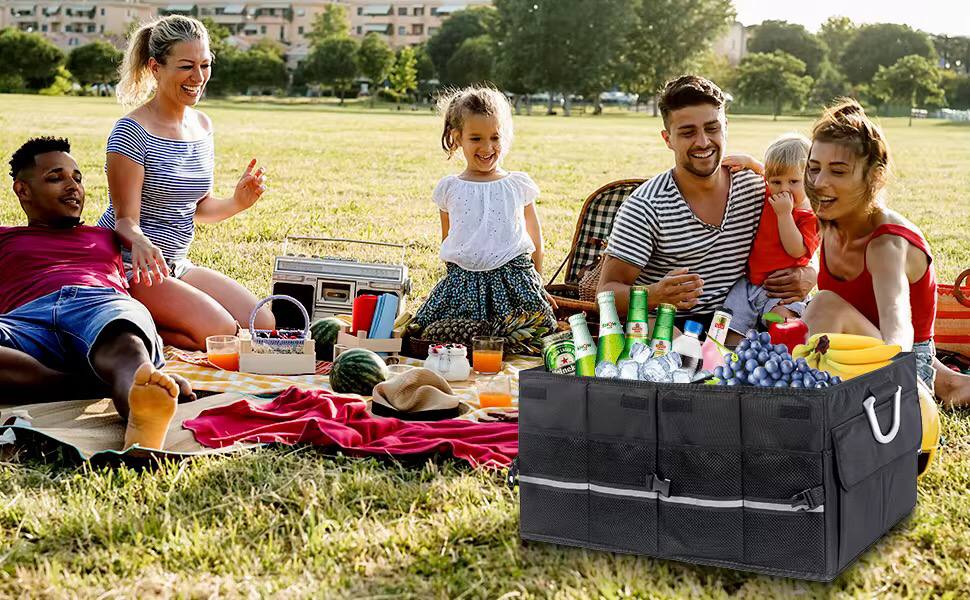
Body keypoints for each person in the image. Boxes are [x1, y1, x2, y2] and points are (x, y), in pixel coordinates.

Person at [1, 137, 195, 450]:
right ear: (23, 190)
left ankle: (141, 415)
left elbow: (172, 220)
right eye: (56, 178)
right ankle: (88, 384)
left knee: (125, 341)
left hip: (97, 305)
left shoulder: (108, 236)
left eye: (77, 178)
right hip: (26, 322)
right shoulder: (4, 238)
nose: (72, 186)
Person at [99, 15, 271, 351]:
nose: (198, 77)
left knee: (262, 322)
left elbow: (200, 208)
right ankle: (135, 326)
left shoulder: (202, 125)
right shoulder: (131, 132)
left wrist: (238, 201)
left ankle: (156, 322)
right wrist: (141, 242)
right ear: (155, 67)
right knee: (221, 333)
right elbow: (124, 221)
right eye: (186, 66)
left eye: (205, 65)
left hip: (176, 263)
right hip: (132, 264)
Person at [599, 75, 816, 330]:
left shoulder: (758, 187)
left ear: (726, 127)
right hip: (671, 328)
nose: (703, 142)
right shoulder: (646, 207)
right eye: (688, 132)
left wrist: (810, 274)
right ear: (667, 139)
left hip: (746, 319)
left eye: (712, 128)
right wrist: (656, 293)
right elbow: (605, 295)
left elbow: (802, 234)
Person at [801, 99, 970, 407]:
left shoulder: (886, 244)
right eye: (814, 168)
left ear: (873, 177)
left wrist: (907, 390)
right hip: (860, 348)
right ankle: (949, 383)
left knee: (824, 306)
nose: (820, 182)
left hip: (902, 369)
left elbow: (897, 329)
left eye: (838, 171)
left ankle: (934, 384)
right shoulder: (836, 217)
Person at [413, 86, 556, 330]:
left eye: (495, 137)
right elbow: (449, 240)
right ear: (458, 138)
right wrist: (445, 289)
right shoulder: (450, 188)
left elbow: (535, 237)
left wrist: (538, 282)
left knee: (535, 336)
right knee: (433, 334)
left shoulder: (516, 184)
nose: (487, 147)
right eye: (476, 138)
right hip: (463, 283)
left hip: (514, 281)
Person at [720, 134, 820, 335]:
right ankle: (735, 356)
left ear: (811, 179)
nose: (785, 189)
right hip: (749, 285)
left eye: (794, 181)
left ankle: (773, 340)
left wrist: (784, 215)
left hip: (782, 292)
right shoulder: (772, 193)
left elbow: (796, 250)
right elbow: (767, 172)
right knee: (728, 327)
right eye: (776, 182)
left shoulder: (809, 216)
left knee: (782, 322)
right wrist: (750, 162)